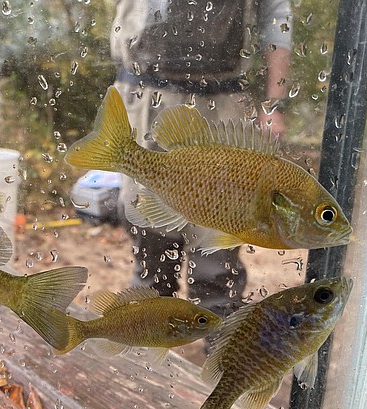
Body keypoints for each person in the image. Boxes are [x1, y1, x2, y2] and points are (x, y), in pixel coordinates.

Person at [110, 0, 292, 318]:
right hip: (143, 94)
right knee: (148, 230)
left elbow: (276, 16)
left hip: (220, 101)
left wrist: (274, 105)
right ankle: (149, 327)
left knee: (219, 232)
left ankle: (219, 348)